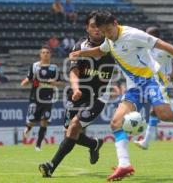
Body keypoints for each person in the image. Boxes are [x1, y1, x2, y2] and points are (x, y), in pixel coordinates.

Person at [70, 11, 173, 181]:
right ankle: (124, 165)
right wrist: (82, 54)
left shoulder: (132, 35)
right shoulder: (109, 39)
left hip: (151, 80)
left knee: (165, 115)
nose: (107, 34)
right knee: (115, 123)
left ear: (115, 23)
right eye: (103, 31)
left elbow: (163, 45)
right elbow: (101, 50)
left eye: (108, 30)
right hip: (134, 87)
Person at [39, 11, 116, 178]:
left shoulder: (113, 46)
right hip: (78, 94)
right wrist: (76, 89)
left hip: (98, 97)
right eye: (93, 26)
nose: (97, 30)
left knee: (74, 127)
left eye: (99, 26)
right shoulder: (79, 47)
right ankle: (94, 144)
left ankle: (51, 166)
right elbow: (73, 72)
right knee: (70, 132)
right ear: (87, 28)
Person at [21, 46, 62, 151]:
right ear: (40, 54)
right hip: (35, 97)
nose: (45, 54)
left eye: (47, 52)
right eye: (43, 52)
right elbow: (29, 78)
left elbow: (60, 82)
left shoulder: (54, 68)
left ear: (50, 54)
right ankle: (28, 127)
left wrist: (55, 82)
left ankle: (38, 145)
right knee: (32, 121)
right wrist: (25, 82)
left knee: (44, 120)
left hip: (47, 98)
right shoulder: (35, 66)